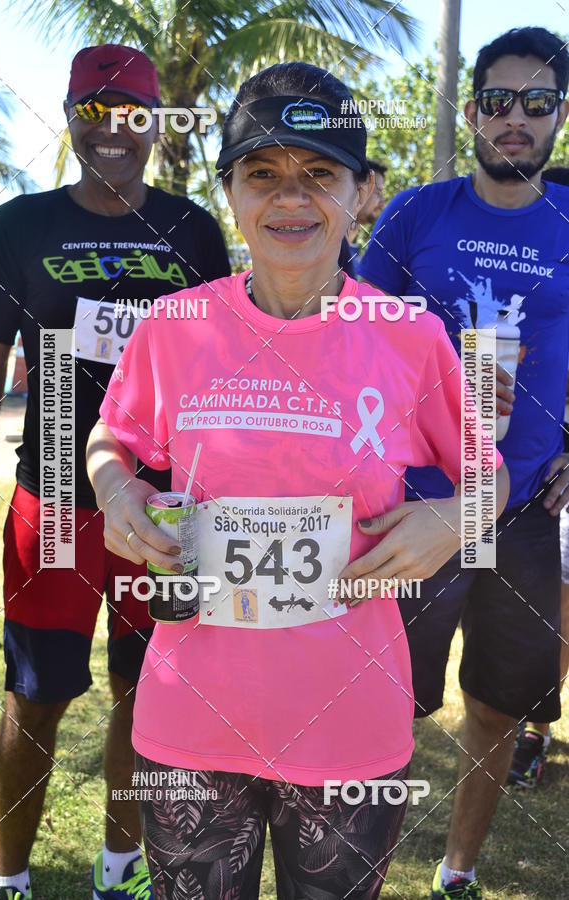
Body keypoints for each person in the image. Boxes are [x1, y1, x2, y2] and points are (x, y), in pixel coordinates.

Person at [87, 61, 508, 900]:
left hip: (351, 722)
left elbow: (487, 479)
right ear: (232, 194)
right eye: (263, 174)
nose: (290, 198)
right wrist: (114, 491)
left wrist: (455, 521)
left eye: (320, 173)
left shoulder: (408, 335)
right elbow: (112, 438)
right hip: (188, 717)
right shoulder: (176, 325)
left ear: (365, 192)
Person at [0, 43, 230, 900]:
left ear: (157, 122)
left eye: (133, 112)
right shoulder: (19, 225)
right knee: (33, 698)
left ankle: (119, 871)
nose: (114, 129)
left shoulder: (193, 230)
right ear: (72, 118)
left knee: (144, 696)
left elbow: (223, 374)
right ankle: (10, 879)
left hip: (164, 509)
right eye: (94, 110)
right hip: (53, 502)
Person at [357, 26, 569, 899]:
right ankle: (355, 869)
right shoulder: (417, 212)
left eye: (536, 102)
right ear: (473, 109)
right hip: (416, 503)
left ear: (558, 114)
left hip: (518, 511)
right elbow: (355, 331)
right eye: (497, 101)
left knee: (495, 706)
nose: (514, 119)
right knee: (383, 706)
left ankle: (458, 872)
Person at [508, 163, 569, 788]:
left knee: (561, 615)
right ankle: (532, 730)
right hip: (472, 486)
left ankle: (533, 731)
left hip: (548, 486)